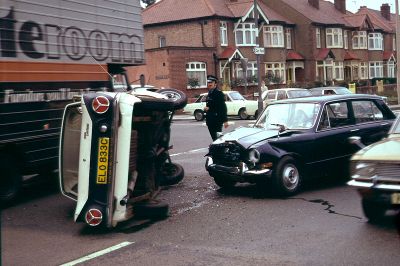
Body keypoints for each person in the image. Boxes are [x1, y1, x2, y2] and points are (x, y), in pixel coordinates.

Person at [204, 75, 228, 141]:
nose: (209, 84)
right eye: (208, 82)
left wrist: (225, 120)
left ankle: (221, 150)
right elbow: (210, 105)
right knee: (214, 139)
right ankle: (217, 150)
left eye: (211, 82)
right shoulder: (209, 93)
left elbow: (223, 107)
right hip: (210, 120)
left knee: (219, 138)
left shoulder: (219, 93)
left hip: (217, 120)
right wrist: (206, 109)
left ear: (215, 84)